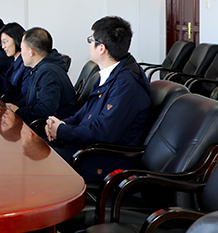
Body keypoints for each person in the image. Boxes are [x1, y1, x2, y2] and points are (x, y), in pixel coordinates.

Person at [46, 16, 151, 182]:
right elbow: (83, 114)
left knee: (40, 162)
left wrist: (62, 131)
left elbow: (102, 132)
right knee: (36, 148)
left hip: (102, 159)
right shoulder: (108, 74)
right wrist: (60, 124)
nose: (89, 45)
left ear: (101, 48)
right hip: (87, 148)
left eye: (91, 40)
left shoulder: (126, 85)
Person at [9, 27, 77, 124]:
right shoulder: (39, 68)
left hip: (51, 127)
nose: (21, 53)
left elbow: (45, 110)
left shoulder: (48, 72)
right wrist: (14, 106)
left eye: (22, 48)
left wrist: (18, 112)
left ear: (31, 51)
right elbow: (30, 99)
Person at [0, 22, 29, 102]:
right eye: (2, 43)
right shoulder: (13, 61)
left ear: (17, 39)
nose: (3, 46)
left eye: (5, 42)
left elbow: (24, 96)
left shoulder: (26, 63)